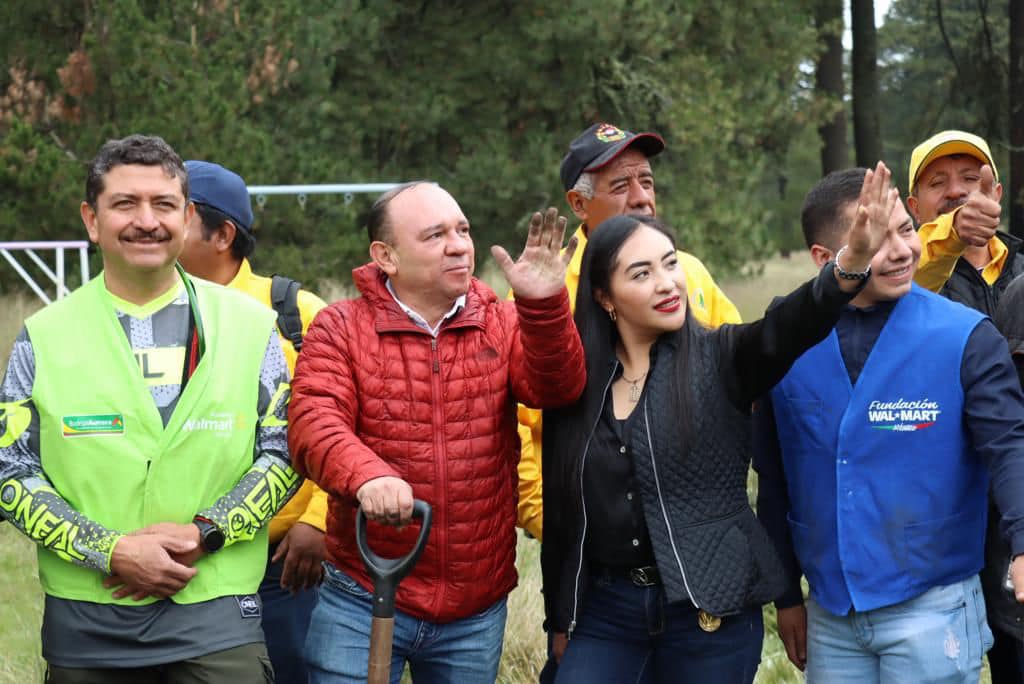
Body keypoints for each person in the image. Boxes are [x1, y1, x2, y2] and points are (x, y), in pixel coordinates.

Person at [540, 163, 897, 683]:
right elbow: (562, 513)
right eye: (641, 274)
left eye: (669, 264)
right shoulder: (577, 388)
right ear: (605, 297)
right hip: (607, 613)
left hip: (709, 610)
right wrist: (560, 615)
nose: (667, 284)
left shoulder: (724, 357)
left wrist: (849, 265)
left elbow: (789, 324)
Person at [0, 135, 300, 682]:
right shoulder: (41, 337)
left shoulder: (253, 328)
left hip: (216, 610)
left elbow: (282, 455)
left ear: (187, 217)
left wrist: (205, 533)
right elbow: (12, 471)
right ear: (92, 220)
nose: (147, 220)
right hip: (87, 620)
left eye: (163, 204)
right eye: (125, 204)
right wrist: (109, 551)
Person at [287, 181, 586, 683]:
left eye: (463, 230)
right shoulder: (340, 327)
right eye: (435, 235)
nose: (458, 244)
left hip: (474, 608)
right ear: (386, 256)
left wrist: (544, 306)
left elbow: (556, 389)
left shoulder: (502, 320)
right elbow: (315, 422)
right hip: (363, 594)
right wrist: (366, 477)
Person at [754, 167, 1024, 683]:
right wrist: (786, 594)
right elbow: (775, 476)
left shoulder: (965, 337)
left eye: (905, 229)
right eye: (878, 239)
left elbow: (1010, 446)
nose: (902, 250)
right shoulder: (785, 343)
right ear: (824, 260)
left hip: (934, 608)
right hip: (831, 614)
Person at [517, 121, 741, 542]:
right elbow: (513, 425)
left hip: (694, 528)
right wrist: (549, 518)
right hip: (594, 541)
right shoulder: (545, 294)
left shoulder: (689, 272)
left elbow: (742, 375)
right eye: (620, 185)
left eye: (647, 181)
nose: (641, 198)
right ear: (579, 203)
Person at [178, 159, 328, 684]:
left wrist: (318, 521)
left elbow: (350, 426)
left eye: (175, 210)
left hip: (284, 568)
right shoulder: (148, 318)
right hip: (179, 565)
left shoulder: (296, 313)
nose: (155, 224)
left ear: (221, 234)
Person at [908, 131, 1024, 681]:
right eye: (938, 182)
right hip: (943, 507)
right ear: (913, 207)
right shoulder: (904, 274)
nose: (957, 192)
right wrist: (947, 238)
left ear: (996, 191)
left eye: (971, 178)